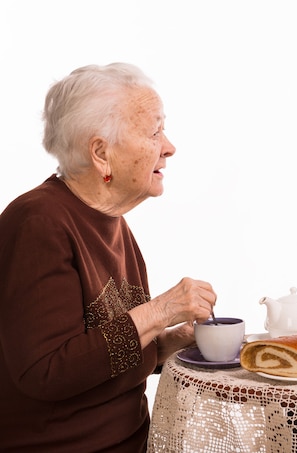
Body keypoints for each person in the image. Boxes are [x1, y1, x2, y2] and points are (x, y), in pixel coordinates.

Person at [0, 63, 217, 451]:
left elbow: (101, 354)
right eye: (154, 131)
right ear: (101, 153)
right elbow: (46, 372)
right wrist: (161, 311)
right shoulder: (39, 222)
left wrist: (168, 343)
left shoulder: (112, 220)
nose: (169, 147)